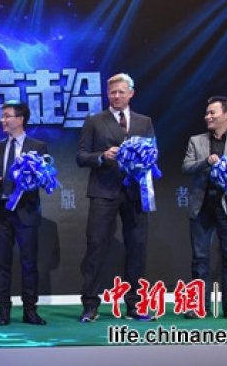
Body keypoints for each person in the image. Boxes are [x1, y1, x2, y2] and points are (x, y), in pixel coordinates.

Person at [76, 73, 156, 323]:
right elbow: (81, 156)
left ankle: (134, 304)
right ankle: (90, 305)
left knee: (136, 247)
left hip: (134, 192)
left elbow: (153, 154)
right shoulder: (94, 121)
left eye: (121, 92)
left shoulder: (144, 122)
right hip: (103, 191)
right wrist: (102, 156)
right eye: (112, 93)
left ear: (131, 93)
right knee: (96, 246)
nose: (117, 96)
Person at [182, 96, 227, 318]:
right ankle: (198, 306)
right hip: (202, 205)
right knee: (200, 258)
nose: (208, 117)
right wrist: (206, 162)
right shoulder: (196, 141)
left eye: (212, 113)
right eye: (206, 113)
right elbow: (186, 167)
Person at [0, 100, 48, 326]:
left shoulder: (38, 146)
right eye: (2, 116)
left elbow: (43, 178)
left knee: (29, 263)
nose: (3, 120)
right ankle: (4, 310)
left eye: (8, 116)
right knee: (2, 263)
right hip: (1, 213)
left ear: (20, 119)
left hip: (26, 212)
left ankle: (30, 310)